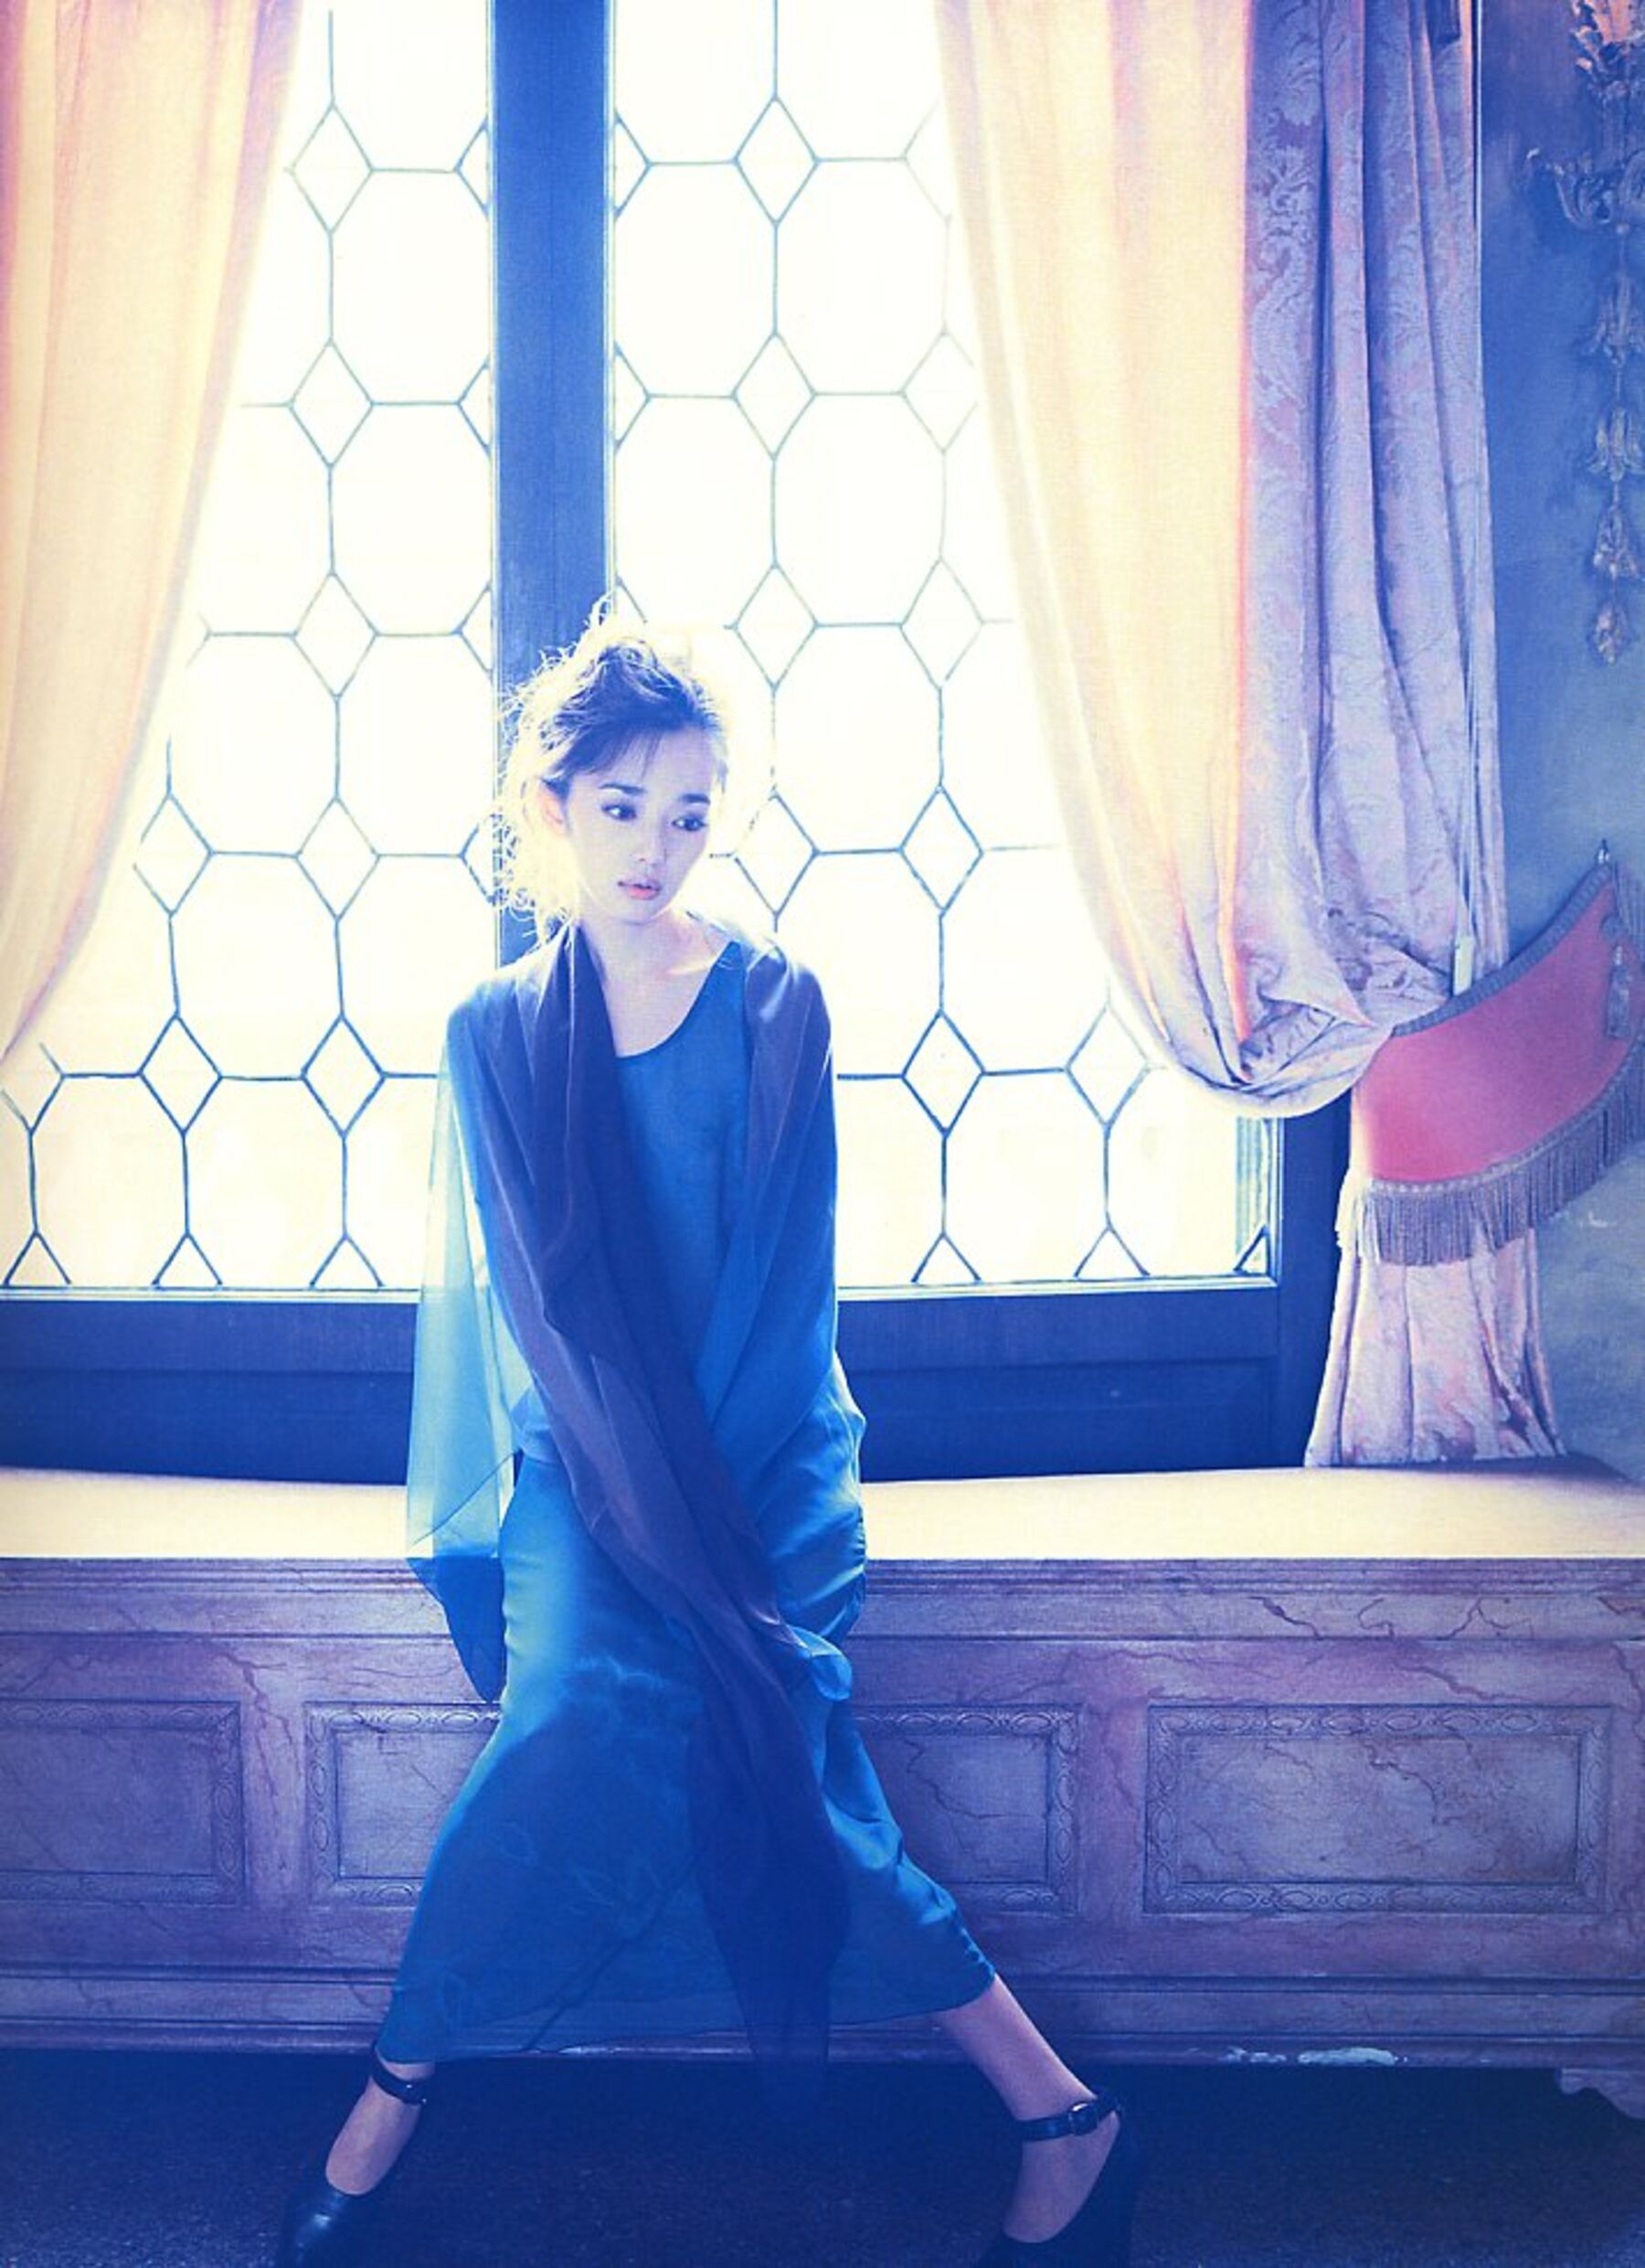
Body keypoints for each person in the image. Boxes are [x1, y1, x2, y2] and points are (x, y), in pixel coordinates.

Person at [275, 614, 1143, 2267]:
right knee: (572, 1717)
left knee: (765, 1735)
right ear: (551, 810)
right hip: (584, 1472)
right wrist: (636, 1510)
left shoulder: (774, 1007)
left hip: (766, 1467)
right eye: (620, 807)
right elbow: (534, 1313)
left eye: (688, 812)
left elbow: (783, 1296)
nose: (654, 847)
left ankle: (1064, 2114)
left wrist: (704, 1538)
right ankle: (390, 2097)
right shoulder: (491, 1030)